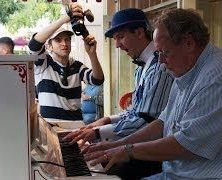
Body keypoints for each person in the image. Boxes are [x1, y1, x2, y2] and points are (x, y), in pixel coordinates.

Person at [82, 8, 222, 180]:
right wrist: (120, 144)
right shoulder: (185, 69)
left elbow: (186, 145)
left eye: (164, 52)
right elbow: (162, 123)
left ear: (189, 43)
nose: (160, 62)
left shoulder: (217, 79)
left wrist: (127, 150)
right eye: (158, 53)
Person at [64, 8, 174, 179]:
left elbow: (147, 120)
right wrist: (106, 120)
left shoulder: (159, 67)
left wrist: (99, 132)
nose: (117, 45)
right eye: (115, 39)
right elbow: (136, 111)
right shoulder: (142, 68)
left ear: (139, 32)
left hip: (152, 153)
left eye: (120, 37)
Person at [28, 2, 104, 122]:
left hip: (76, 128)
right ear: (50, 46)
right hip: (51, 127)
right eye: (58, 40)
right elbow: (34, 44)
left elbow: (98, 80)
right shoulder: (44, 63)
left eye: (67, 39)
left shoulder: (77, 66)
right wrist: (65, 18)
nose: (64, 44)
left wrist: (92, 54)